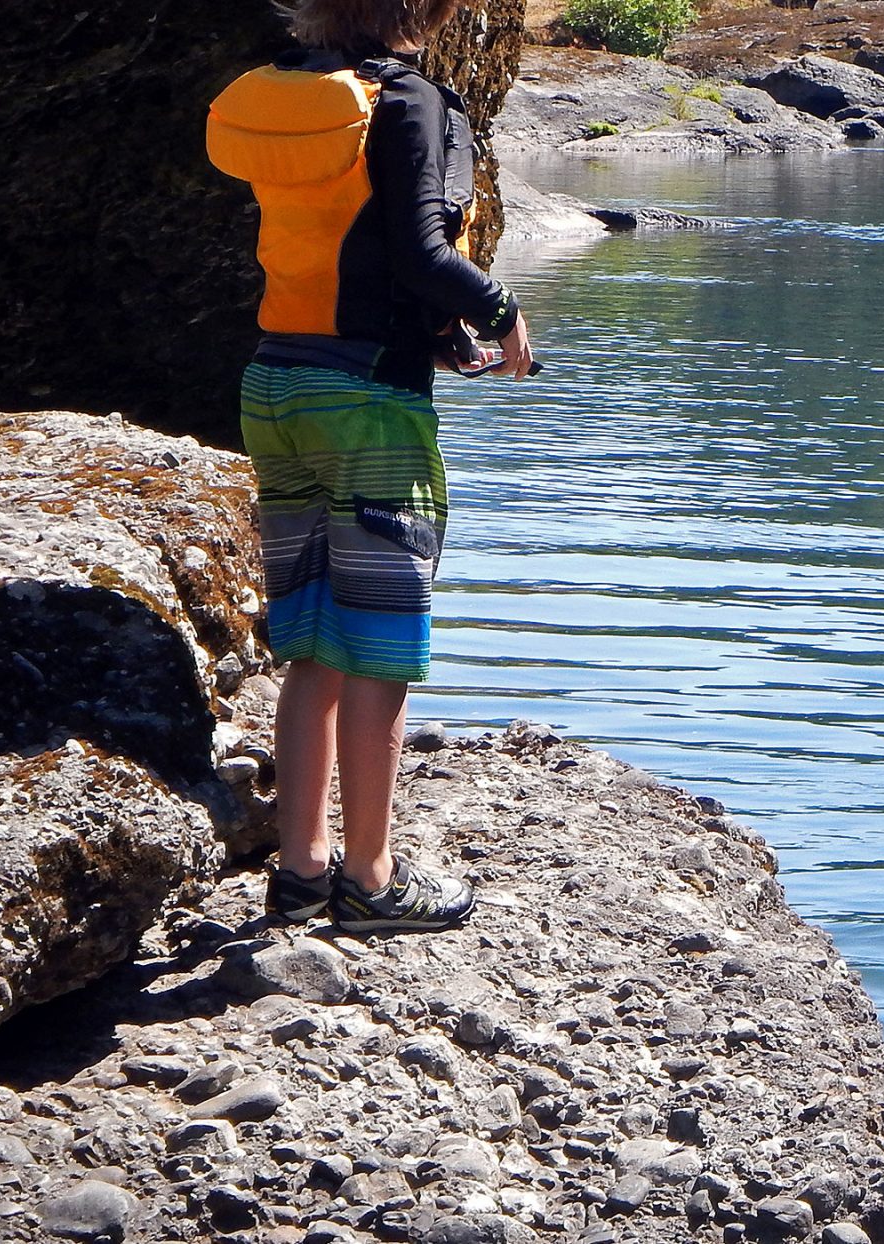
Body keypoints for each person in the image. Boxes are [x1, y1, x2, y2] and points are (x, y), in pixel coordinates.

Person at [207, 0, 536, 932]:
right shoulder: (408, 101)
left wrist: (427, 332)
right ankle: (372, 880)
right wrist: (499, 310)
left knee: (311, 636)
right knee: (382, 648)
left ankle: (301, 871)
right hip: (368, 405)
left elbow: (342, 247)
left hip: (276, 381)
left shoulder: (289, 95)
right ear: (422, 10)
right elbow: (423, 252)